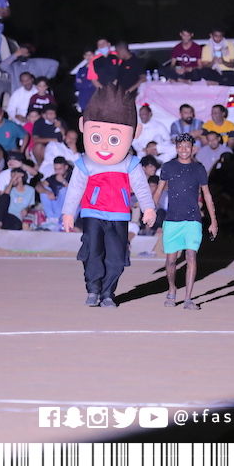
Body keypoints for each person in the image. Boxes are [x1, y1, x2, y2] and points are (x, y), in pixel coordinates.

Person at [61, 85, 156, 307]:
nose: (104, 145)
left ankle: (108, 293)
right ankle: (93, 289)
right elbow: (75, 188)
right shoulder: (85, 163)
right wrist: (68, 212)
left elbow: (142, 187)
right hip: (92, 213)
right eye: (97, 136)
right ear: (83, 127)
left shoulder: (130, 164)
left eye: (113, 139)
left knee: (116, 257)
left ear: (135, 133)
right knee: (92, 252)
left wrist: (148, 208)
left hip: (119, 215)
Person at [153, 133, 218, 310]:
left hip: (193, 219)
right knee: (171, 260)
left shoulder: (199, 169)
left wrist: (213, 221)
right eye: (180, 146)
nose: (184, 149)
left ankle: (188, 298)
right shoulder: (168, 167)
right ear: (176, 148)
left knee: (191, 256)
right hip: (172, 219)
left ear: (192, 148)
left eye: (187, 146)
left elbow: (207, 194)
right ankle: (172, 288)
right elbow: (159, 191)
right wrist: (151, 210)